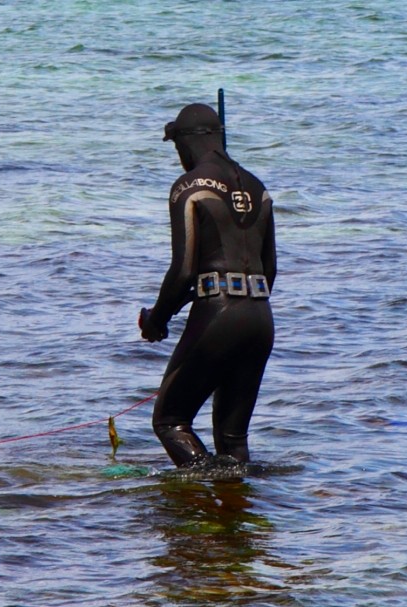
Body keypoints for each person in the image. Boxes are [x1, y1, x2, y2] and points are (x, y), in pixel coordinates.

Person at [139, 103, 276, 468]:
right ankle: (232, 512)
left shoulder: (190, 186)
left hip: (217, 316)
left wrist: (157, 320)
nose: (179, 156)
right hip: (261, 319)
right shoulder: (258, 187)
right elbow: (270, 271)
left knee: (170, 420)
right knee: (233, 440)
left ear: (187, 141)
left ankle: (204, 494)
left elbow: (184, 270)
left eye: (177, 147)